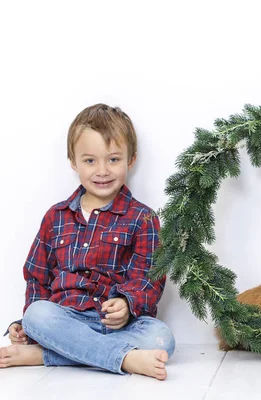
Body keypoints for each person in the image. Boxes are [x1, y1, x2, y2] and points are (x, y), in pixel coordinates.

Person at [0, 104, 175, 380]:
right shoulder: (55, 217)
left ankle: (48, 355)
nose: (102, 171)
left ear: (131, 160)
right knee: (37, 316)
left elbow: (149, 278)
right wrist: (26, 326)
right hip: (65, 318)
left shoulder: (143, 218)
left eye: (114, 160)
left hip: (119, 325)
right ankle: (125, 358)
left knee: (161, 338)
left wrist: (128, 305)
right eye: (90, 161)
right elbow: (37, 277)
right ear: (73, 161)